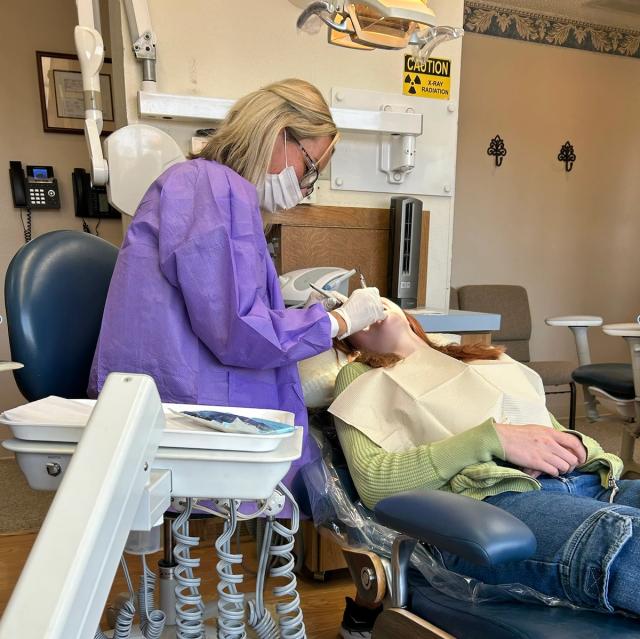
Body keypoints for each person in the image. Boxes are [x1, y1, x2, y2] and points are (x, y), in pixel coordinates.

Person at [88, 78, 386, 492]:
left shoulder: (216, 191)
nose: (304, 188)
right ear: (279, 133)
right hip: (177, 409)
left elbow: (234, 309)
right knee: (322, 475)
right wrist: (337, 322)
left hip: (167, 398)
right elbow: (240, 328)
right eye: (310, 167)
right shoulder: (211, 188)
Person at [329, 298, 640, 637]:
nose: (368, 309)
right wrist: (493, 440)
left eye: (375, 301)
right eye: (354, 315)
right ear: (350, 343)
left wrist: (578, 445)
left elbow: (547, 430)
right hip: (496, 504)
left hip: (590, 482)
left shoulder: (487, 360)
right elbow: (374, 484)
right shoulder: (360, 375)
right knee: (626, 536)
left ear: (406, 315)